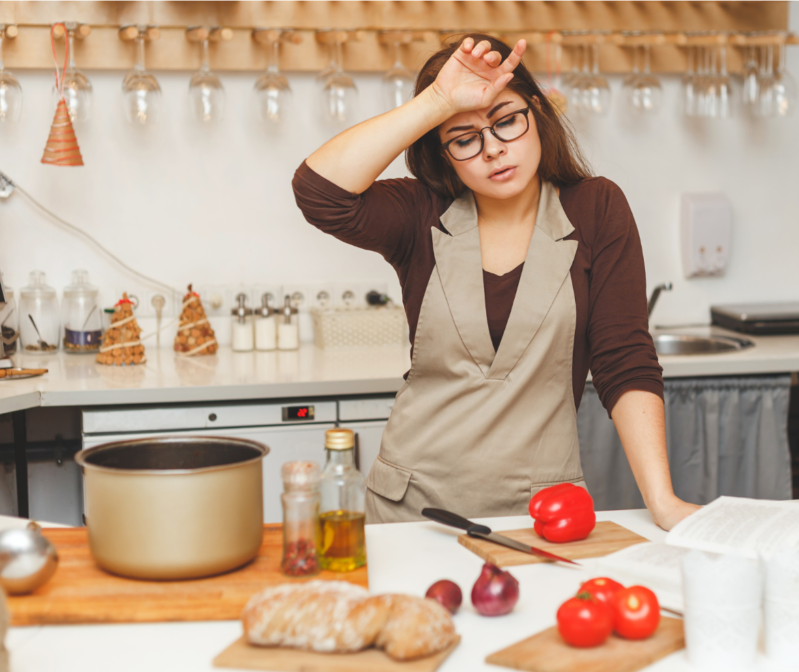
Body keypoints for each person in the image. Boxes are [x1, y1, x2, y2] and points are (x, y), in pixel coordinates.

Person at [293, 34, 698, 529]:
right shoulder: (422, 213)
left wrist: (662, 501)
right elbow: (318, 192)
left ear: (537, 113)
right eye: (465, 139)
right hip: (410, 508)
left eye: (506, 121)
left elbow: (624, 360)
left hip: (542, 512)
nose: (494, 150)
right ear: (444, 154)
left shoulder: (596, 208)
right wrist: (439, 102)